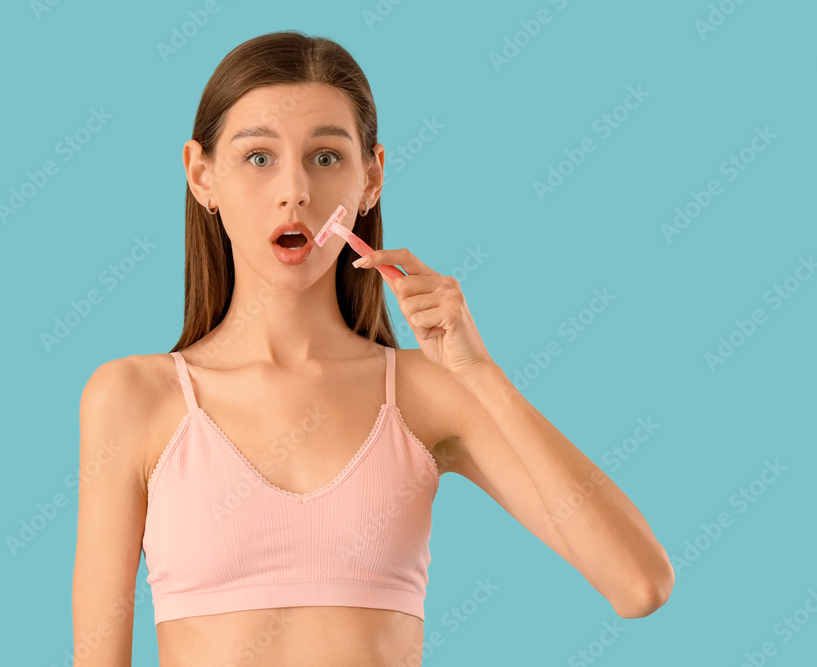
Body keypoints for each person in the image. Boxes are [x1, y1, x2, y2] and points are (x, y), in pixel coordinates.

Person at [72, 30, 674, 666]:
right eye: (258, 158)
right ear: (202, 174)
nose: (295, 190)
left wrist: (482, 376)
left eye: (326, 157)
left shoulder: (426, 396)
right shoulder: (135, 398)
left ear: (371, 179)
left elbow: (639, 584)